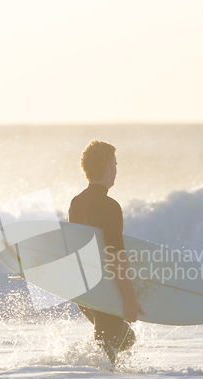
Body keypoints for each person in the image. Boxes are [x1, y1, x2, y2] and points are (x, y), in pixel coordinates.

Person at [68, 140, 145, 364]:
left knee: (126, 338)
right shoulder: (110, 206)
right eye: (115, 164)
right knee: (107, 356)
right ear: (109, 167)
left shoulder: (76, 202)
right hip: (104, 289)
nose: (116, 171)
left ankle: (86, 370)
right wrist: (130, 299)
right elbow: (116, 255)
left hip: (84, 291)